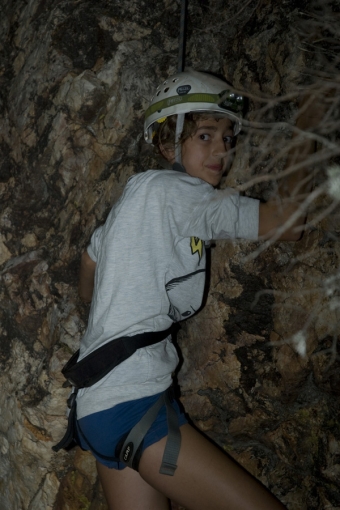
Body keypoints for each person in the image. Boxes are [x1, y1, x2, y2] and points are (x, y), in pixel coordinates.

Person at [75, 70, 320, 510]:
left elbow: (89, 263)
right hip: (135, 404)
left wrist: (107, 304)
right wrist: (308, 126)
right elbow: (290, 223)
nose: (221, 150)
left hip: (96, 406)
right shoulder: (183, 194)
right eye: (204, 135)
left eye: (227, 138)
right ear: (169, 145)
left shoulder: (136, 194)